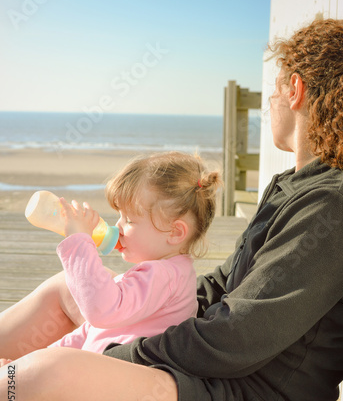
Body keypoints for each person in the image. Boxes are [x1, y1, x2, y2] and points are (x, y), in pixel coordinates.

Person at [0, 17, 343, 401]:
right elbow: (221, 287)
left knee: (52, 373)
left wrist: (123, 351)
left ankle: (26, 400)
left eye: (275, 89)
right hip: (214, 382)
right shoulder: (292, 186)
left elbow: (239, 335)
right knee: (70, 289)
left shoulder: (331, 205)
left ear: (295, 89)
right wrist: (140, 298)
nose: (271, 101)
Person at [0, 151, 221, 358]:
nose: (119, 226)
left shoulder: (164, 276)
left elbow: (100, 311)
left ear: (175, 232)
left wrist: (79, 242)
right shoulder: (161, 272)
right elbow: (92, 330)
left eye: (130, 220)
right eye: (120, 216)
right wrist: (37, 358)